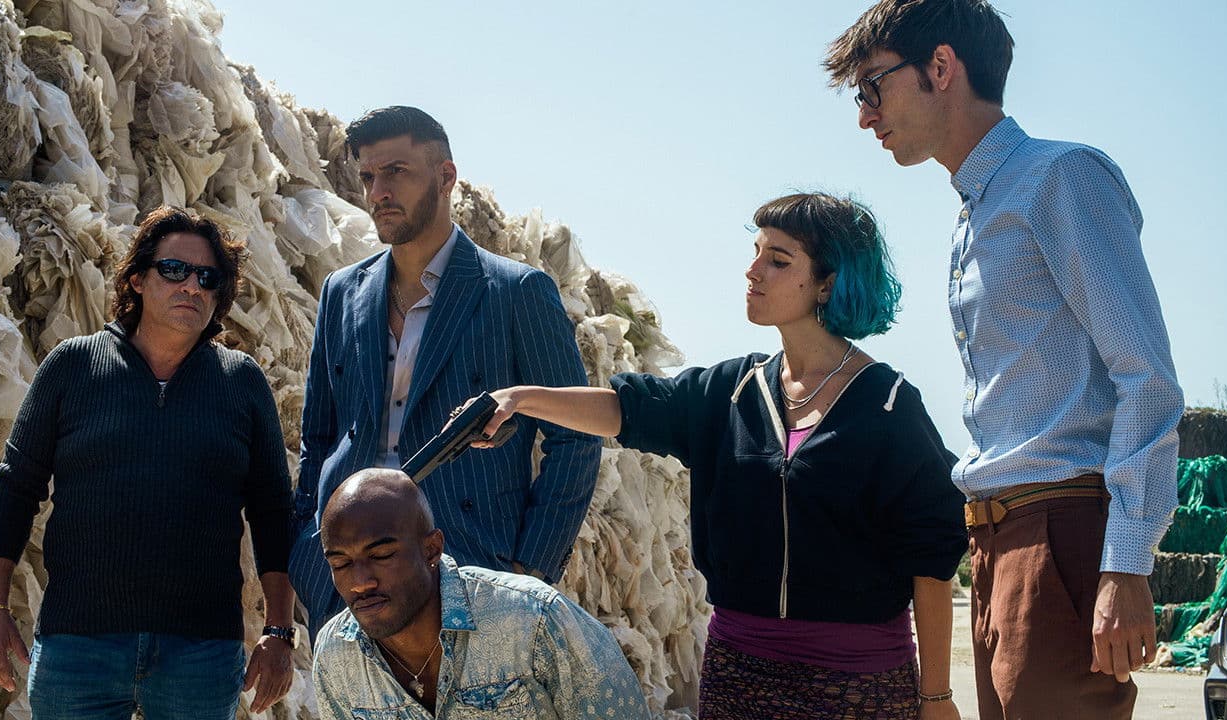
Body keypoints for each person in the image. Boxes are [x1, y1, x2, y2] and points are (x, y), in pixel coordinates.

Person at [467, 193, 967, 720]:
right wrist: (521, 398)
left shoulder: (888, 404)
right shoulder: (730, 390)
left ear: (827, 283)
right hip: (737, 678)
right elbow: (627, 409)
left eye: (778, 260)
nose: (753, 271)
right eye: (756, 252)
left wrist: (936, 696)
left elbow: (932, 561)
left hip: (857, 685)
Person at [823, 2, 1184, 718]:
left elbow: (1146, 377)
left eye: (872, 87)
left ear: (941, 66)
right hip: (997, 540)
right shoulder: (974, 213)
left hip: (1062, 529)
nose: (865, 116)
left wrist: (1126, 563)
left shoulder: (1061, 177)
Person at [0, 206, 296, 718]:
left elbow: (274, 511)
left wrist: (279, 630)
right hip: (78, 647)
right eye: (174, 269)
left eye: (207, 277)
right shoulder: (73, 365)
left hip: (201, 654)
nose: (191, 286)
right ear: (138, 280)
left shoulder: (242, 382)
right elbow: (15, 487)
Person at [289, 106, 602, 634]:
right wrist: (309, 549)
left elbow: (576, 436)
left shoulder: (516, 292)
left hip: (470, 574)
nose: (378, 192)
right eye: (368, 177)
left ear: (446, 176)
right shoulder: (342, 292)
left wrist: (528, 570)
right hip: (346, 588)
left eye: (396, 172)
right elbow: (318, 436)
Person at [313, 468, 651, 719]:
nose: (360, 582)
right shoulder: (336, 656)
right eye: (341, 563)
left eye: (382, 555)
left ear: (432, 549)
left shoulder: (535, 621)